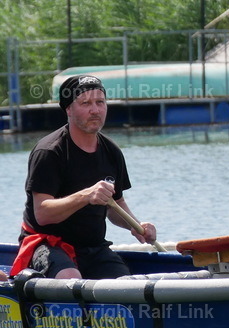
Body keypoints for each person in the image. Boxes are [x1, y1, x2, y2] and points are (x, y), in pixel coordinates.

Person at [11, 75, 158, 280]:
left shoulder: (111, 151)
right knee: (70, 279)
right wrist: (87, 195)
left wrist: (137, 226)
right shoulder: (49, 152)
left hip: (94, 248)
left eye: (100, 102)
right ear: (68, 109)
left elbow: (115, 204)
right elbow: (42, 214)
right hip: (48, 243)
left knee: (123, 287)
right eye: (85, 103)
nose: (95, 110)